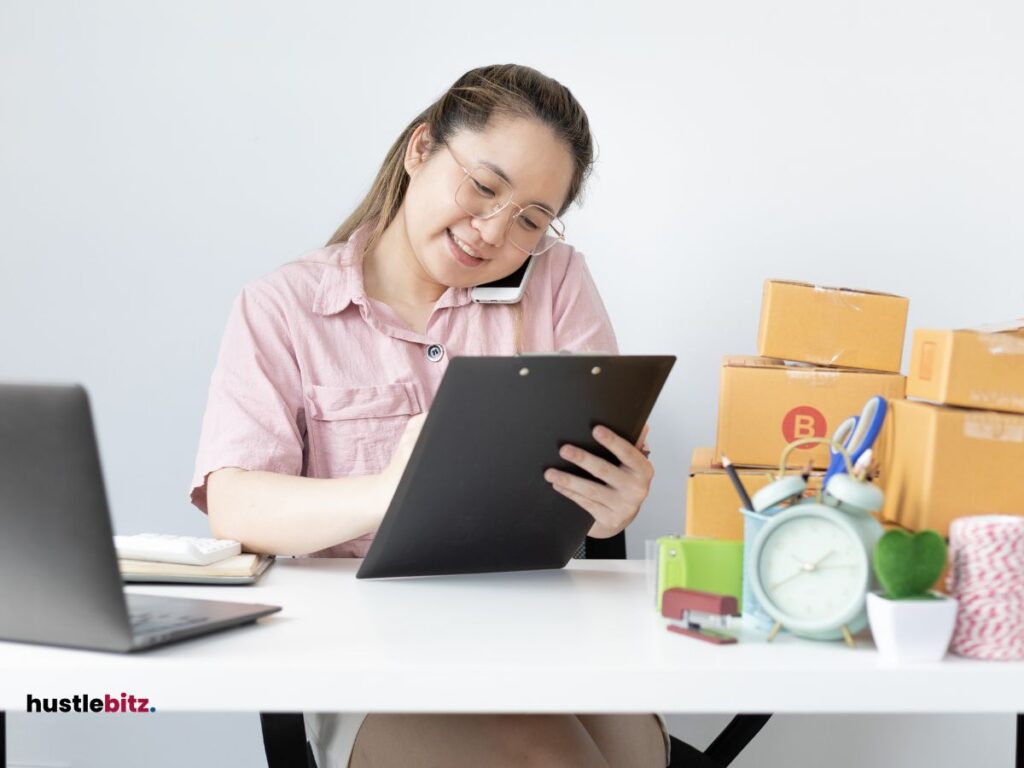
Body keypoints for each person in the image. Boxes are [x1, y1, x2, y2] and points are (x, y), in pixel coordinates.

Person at [190, 64, 669, 768]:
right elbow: (233, 504)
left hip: (542, 632)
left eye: (531, 220)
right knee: (542, 756)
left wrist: (614, 505)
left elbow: (596, 491)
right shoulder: (282, 308)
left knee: (637, 755)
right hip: (367, 657)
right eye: (483, 187)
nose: (492, 232)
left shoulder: (558, 281)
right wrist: (386, 490)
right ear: (421, 150)